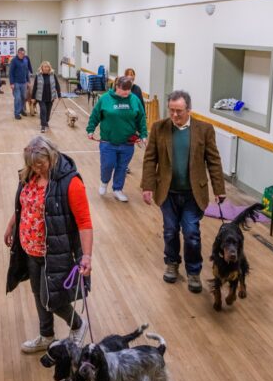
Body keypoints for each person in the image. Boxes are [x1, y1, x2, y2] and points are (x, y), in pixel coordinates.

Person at [4, 135, 93, 353]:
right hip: (29, 248)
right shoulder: (29, 175)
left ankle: (78, 325)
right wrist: (11, 226)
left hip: (54, 251)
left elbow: (84, 222)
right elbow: (23, 205)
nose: (37, 168)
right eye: (32, 164)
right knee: (38, 294)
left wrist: (87, 256)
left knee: (50, 299)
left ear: (51, 156)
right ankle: (46, 336)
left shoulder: (71, 182)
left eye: (41, 164)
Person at [140, 90, 226, 294]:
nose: (175, 115)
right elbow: (150, 159)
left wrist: (219, 188)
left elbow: (213, 160)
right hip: (167, 192)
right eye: (171, 110)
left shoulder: (204, 130)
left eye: (179, 111)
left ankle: (194, 271)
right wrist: (147, 186)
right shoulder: (159, 128)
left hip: (193, 194)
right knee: (170, 231)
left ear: (189, 109)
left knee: (191, 234)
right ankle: (171, 263)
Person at [86, 77, 148, 202]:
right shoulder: (105, 99)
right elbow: (95, 115)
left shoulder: (134, 100)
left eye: (128, 89)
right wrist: (90, 129)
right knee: (108, 164)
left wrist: (143, 134)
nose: (126, 92)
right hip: (108, 141)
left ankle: (117, 189)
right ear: (116, 87)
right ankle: (104, 182)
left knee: (122, 167)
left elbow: (141, 118)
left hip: (127, 142)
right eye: (123, 89)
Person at [31, 61, 62, 133]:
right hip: (40, 97)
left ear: (49, 68)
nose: (46, 68)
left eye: (47, 67)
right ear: (41, 68)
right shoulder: (38, 75)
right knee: (43, 110)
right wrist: (33, 97)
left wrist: (59, 94)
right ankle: (43, 126)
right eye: (44, 67)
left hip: (50, 97)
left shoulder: (52, 75)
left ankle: (46, 121)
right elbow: (35, 87)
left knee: (48, 112)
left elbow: (57, 85)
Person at [9, 47, 32, 120]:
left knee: (23, 98)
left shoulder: (25, 60)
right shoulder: (14, 61)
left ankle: (22, 110)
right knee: (17, 98)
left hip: (24, 83)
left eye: (24, 53)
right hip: (16, 83)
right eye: (22, 54)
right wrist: (11, 83)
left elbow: (26, 71)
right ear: (18, 53)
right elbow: (11, 72)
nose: (23, 55)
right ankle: (16, 113)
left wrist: (28, 81)